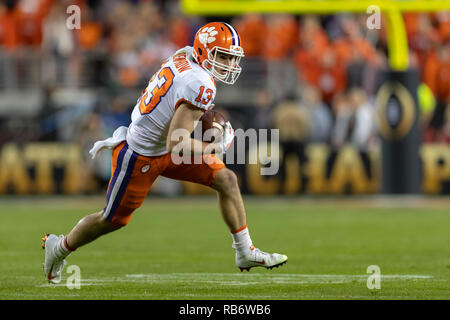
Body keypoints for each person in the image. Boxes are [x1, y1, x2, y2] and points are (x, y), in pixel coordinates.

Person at [42, 22, 288, 283]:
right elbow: (177, 142)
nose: (228, 63)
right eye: (222, 56)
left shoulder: (183, 55)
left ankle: (244, 251)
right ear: (204, 52)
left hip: (161, 146)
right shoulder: (200, 83)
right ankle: (58, 247)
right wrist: (215, 145)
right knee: (111, 220)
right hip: (140, 155)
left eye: (231, 57)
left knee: (227, 180)